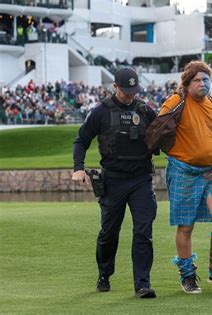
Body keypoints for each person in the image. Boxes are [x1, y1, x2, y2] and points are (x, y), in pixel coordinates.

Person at [72, 67, 158, 298]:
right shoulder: (100, 112)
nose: (130, 95)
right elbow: (81, 140)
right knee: (109, 232)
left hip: (141, 179)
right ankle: (104, 273)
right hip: (113, 181)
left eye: (133, 91)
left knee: (143, 232)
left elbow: (162, 136)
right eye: (125, 91)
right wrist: (78, 169)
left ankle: (142, 284)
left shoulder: (145, 110)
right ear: (115, 87)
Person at [160, 61, 212, 294]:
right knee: (186, 226)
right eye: (197, 80)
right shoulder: (177, 101)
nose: (203, 83)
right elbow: (159, 129)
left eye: (206, 79)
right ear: (187, 82)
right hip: (183, 171)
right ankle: (187, 275)